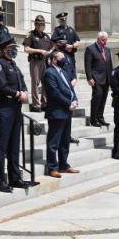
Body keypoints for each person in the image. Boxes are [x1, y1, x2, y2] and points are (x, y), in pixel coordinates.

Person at [0, 37, 30, 192]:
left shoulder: (14, 65)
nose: (14, 50)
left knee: (14, 144)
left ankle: (15, 177)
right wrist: (17, 93)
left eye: (15, 48)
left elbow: (22, 82)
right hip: (4, 107)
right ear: (3, 50)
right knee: (2, 145)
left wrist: (25, 92)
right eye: (11, 48)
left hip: (16, 108)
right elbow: (1, 85)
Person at [43, 50, 79, 178]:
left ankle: (63, 165)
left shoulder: (64, 72)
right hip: (57, 111)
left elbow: (70, 88)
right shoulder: (49, 73)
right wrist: (68, 103)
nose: (64, 60)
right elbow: (55, 92)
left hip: (67, 111)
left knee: (65, 140)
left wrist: (75, 100)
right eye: (61, 58)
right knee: (54, 141)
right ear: (54, 60)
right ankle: (52, 167)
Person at [23, 15, 52, 112]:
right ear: (35, 24)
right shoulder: (31, 35)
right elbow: (26, 49)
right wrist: (39, 51)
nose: (42, 26)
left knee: (45, 82)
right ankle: (36, 104)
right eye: (40, 24)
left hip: (45, 61)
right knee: (35, 82)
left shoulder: (46, 36)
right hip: (35, 61)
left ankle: (45, 102)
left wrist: (52, 50)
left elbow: (51, 48)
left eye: (43, 24)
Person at [84, 31, 112, 128]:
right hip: (96, 78)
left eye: (106, 40)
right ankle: (93, 119)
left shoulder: (107, 50)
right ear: (98, 39)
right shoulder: (90, 49)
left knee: (103, 98)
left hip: (106, 79)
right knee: (97, 97)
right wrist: (89, 78)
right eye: (103, 40)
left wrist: (111, 79)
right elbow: (87, 65)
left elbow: (110, 65)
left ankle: (100, 117)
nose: (105, 42)